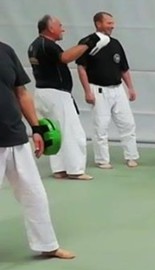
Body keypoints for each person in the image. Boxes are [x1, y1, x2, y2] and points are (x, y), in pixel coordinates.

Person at [1, 40, 74, 260]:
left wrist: (36, 128)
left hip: (15, 136)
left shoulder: (5, 50)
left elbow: (21, 92)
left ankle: (47, 245)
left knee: (35, 194)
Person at [28, 15, 107, 181]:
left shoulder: (34, 45)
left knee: (56, 132)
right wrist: (88, 43)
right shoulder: (47, 45)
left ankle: (59, 169)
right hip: (56, 94)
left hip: (43, 92)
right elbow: (65, 57)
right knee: (72, 132)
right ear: (50, 28)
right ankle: (75, 170)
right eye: (60, 26)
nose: (62, 29)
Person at [76, 11, 140, 169]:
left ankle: (131, 156)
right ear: (98, 24)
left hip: (117, 89)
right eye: (109, 23)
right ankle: (102, 160)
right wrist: (87, 91)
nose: (112, 26)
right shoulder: (88, 42)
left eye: (112, 23)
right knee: (101, 126)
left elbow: (123, 68)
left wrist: (130, 88)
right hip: (98, 89)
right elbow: (81, 68)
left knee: (128, 124)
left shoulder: (115, 43)